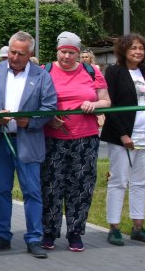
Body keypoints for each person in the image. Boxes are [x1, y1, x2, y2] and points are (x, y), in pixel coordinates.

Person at [0, 31, 56, 259]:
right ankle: (3, 235)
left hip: (28, 141)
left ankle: (34, 238)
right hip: (0, 140)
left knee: (32, 192)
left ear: (30, 54)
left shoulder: (42, 77)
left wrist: (31, 121)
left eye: (20, 54)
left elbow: (50, 108)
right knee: (1, 190)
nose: (14, 57)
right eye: (12, 52)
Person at [41, 31, 111, 252]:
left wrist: (94, 105)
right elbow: (37, 101)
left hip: (85, 138)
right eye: (63, 52)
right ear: (57, 51)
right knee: (52, 185)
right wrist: (49, 118)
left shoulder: (92, 72)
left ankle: (75, 232)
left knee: (80, 186)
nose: (67, 57)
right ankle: (50, 231)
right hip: (54, 138)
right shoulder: (46, 71)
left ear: (79, 53)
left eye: (72, 53)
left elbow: (106, 101)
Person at [101, 33, 145, 245]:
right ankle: (114, 227)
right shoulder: (114, 72)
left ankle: (138, 226)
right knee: (118, 181)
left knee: (140, 182)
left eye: (141, 48)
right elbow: (111, 106)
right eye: (133, 48)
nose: (137, 52)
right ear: (124, 51)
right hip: (123, 136)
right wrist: (123, 134)